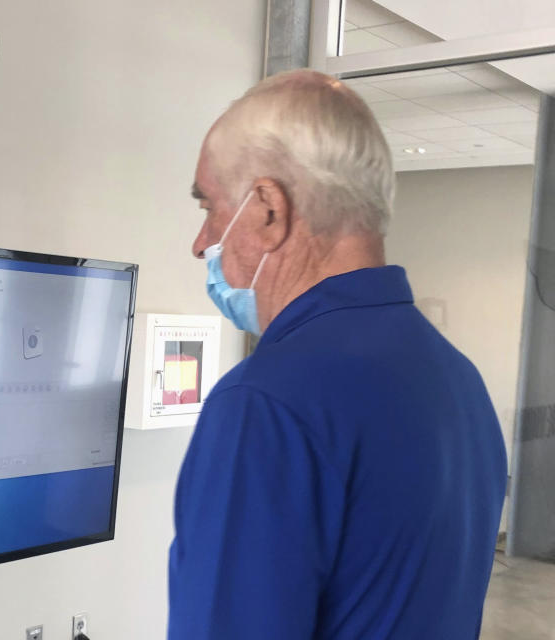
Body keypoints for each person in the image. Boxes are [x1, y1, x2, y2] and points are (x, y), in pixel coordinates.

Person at [168, 69, 507, 639]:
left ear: (269, 209)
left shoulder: (266, 402)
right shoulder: (457, 379)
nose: (201, 242)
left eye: (209, 207)